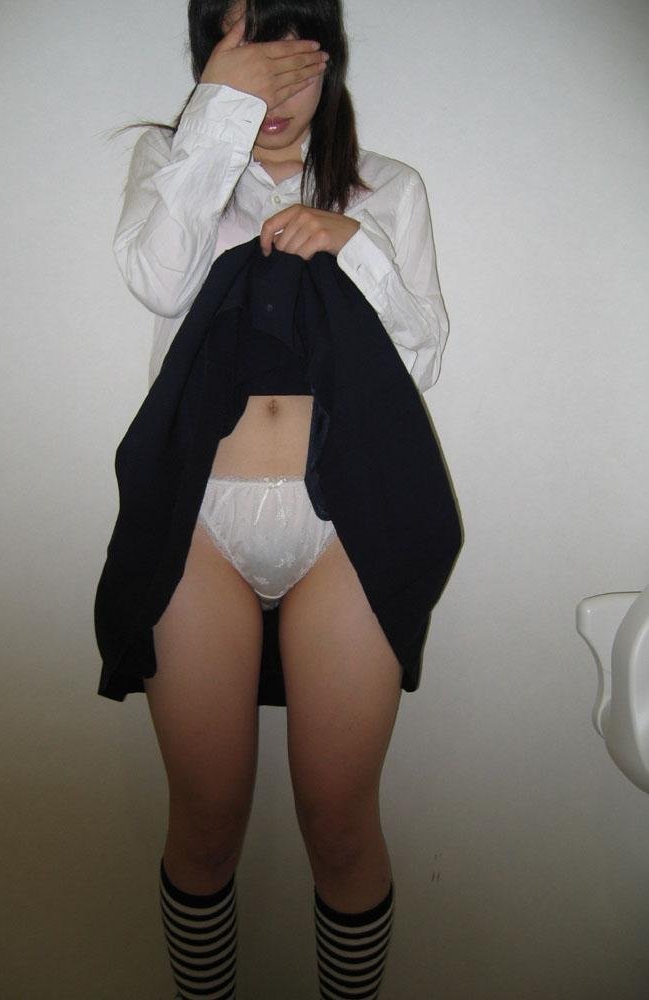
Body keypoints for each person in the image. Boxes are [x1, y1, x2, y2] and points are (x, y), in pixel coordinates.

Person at [110, 2, 451, 997]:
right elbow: (158, 277)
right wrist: (216, 112)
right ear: (212, 62)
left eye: (292, 61)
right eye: (247, 58)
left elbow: (422, 355)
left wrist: (352, 242)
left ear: (328, 61)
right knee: (206, 824)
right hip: (199, 526)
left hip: (345, 528)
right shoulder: (175, 167)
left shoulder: (388, 187)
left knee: (339, 826)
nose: (274, 87)